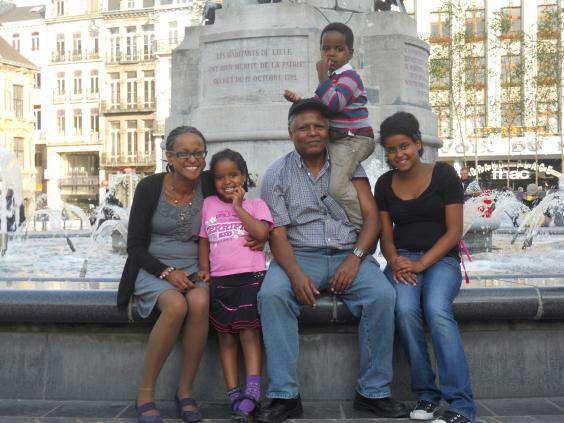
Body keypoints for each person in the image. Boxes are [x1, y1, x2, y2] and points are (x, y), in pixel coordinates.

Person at [257, 98, 408, 423]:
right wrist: (295, 274)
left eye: (318, 126)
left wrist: (355, 259)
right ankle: (285, 396)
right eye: (303, 127)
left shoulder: (350, 166)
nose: (312, 132)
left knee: (383, 296)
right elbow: (277, 234)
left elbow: (370, 219)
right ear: (290, 133)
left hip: (347, 252)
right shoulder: (275, 175)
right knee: (271, 296)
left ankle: (373, 392)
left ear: (328, 130)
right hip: (299, 255)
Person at [374, 112, 476, 423]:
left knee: (436, 309)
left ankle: (462, 405)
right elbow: (385, 236)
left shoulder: (444, 176)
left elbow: (453, 232)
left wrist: (420, 264)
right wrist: (395, 263)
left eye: (404, 146)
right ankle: (427, 396)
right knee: (404, 310)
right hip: (403, 259)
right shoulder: (384, 184)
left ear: (418, 144)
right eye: (391, 150)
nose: (398, 155)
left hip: (440, 260)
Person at [117, 126, 212, 423]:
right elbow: (134, 246)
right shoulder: (150, 186)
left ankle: (185, 393)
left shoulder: (208, 184)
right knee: (175, 305)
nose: (193, 159)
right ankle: (145, 392)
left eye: (198, 152)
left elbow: (236, 191)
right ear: (169, 156)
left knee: (199, 303)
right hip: (153, 265)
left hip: (195, 266)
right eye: (184, 153)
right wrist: (167, 272)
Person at [198, 149, 273, 420]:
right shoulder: (208, 204)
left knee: (249, 334)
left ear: (244, 176)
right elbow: (204, 239)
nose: (227, 181)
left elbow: (262, 233)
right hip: (221, 280)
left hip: (251, 277)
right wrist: (204, 269)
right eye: (220, 177)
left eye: (233, 175)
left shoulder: (256, 205)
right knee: (225, 337)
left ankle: (253, 391)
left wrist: (238, 207)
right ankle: (233, 392)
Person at [283, 22, 375, 230]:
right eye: (326, 49)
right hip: (341, 140)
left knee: (337, 187)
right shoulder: (332, 80)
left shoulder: (350, 77)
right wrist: (299, 102)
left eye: (338, 49)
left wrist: (322, 77)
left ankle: (364, 225)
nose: (331, 54)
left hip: (355, 139)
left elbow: (333, 105)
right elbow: (319, 109)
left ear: (350, 54)